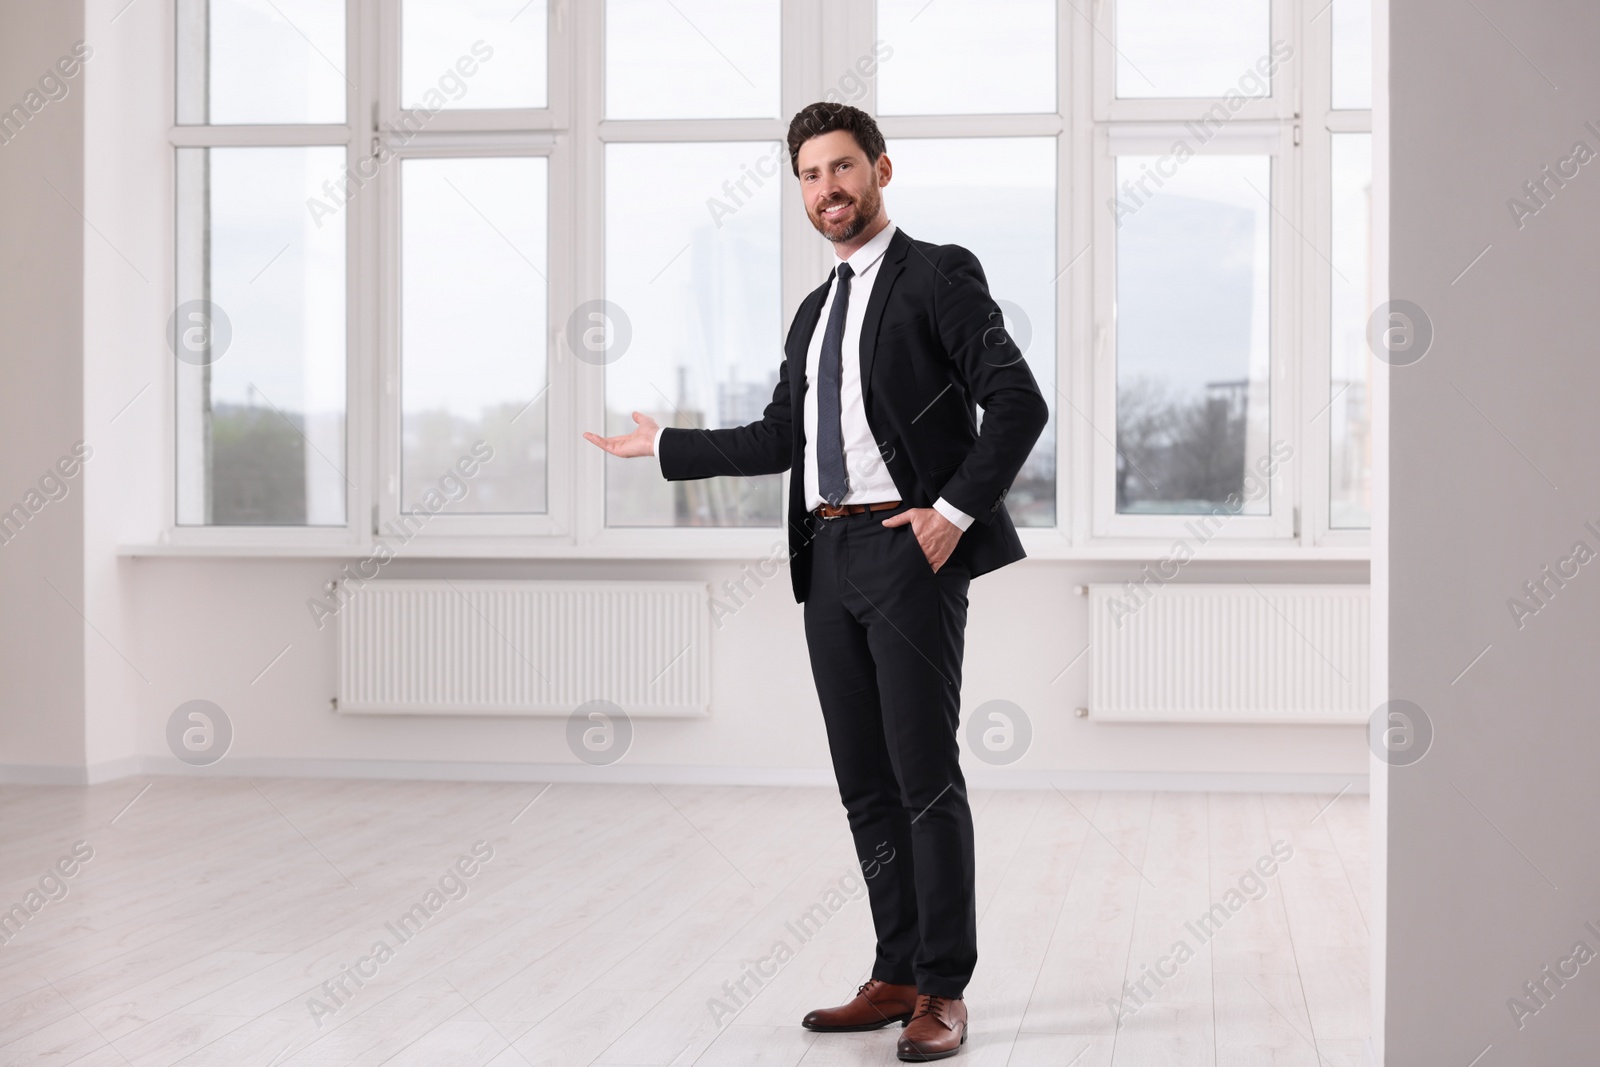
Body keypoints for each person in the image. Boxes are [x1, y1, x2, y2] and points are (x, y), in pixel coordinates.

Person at [584, 101, 1048, 1062]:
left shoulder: (939, 275)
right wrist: (663, 443)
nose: (826, 189)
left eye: (841, 168)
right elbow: (775, 436)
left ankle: (946, 989)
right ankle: (896, 969)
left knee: (925, 778)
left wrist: (949, 515)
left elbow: (1017, 401)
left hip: (908, 551)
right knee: (864, 782)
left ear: (880, 169)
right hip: (828, 555)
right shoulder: (814, 309)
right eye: (809, 175)